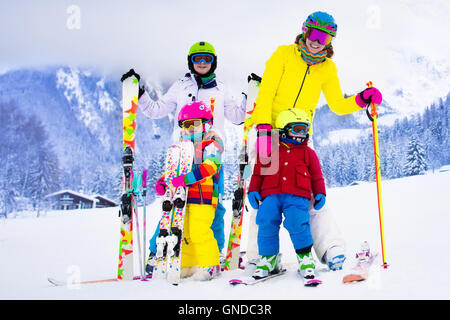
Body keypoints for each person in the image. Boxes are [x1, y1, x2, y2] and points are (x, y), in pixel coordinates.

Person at [249, 11, 383, 270]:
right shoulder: (283, 54)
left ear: (330, 40)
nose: (316, 40)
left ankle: (330, 248)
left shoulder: (328, 68)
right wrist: (264, 129)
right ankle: (261, 255)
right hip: (272, 135)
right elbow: (265, 93)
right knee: (265, 197)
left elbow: (337, 104)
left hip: (301, 137)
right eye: (313, 34)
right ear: (305, 31)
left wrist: (362, 98)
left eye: (323, 37)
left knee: (310, 194)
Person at [121, 41, 246, 274]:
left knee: (213, 207)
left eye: (206, 59)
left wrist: (251, 97)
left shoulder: (221, 89)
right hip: (181, 156)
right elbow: (157, 110)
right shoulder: (180, 86)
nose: (201, 63)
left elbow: (238, 117)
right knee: (173, 207)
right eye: (197, 59)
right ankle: (157, 251)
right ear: (191, 61)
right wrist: (140, 93)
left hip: (211, 156)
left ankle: (213, 253)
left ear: (213, 62)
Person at [248, 108, 325, 281]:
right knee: (266, 221)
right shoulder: (269, 150)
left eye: (305, 129)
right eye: (297, 129)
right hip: (270, 194)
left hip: (297, 194)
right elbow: (258, 172)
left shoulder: (308, 153)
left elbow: (317, 175)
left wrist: (320, 192)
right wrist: (253, 189)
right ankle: (269, 259)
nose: (302, 134)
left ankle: (305, 258)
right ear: (283, 130)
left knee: (298, 222)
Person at [154, 101, 223, 280]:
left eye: (196, 124)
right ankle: (186, 264)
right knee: (185, 233)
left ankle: (210, 264)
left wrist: (184, 180)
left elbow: (210, 167)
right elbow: (174, 171)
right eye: (187, 125)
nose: (192, 129)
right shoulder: (182, 149)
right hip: (183, 200)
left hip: (203, 198)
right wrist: (164, 182)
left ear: (206, 124)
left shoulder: (211, 144)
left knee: (200, 230)